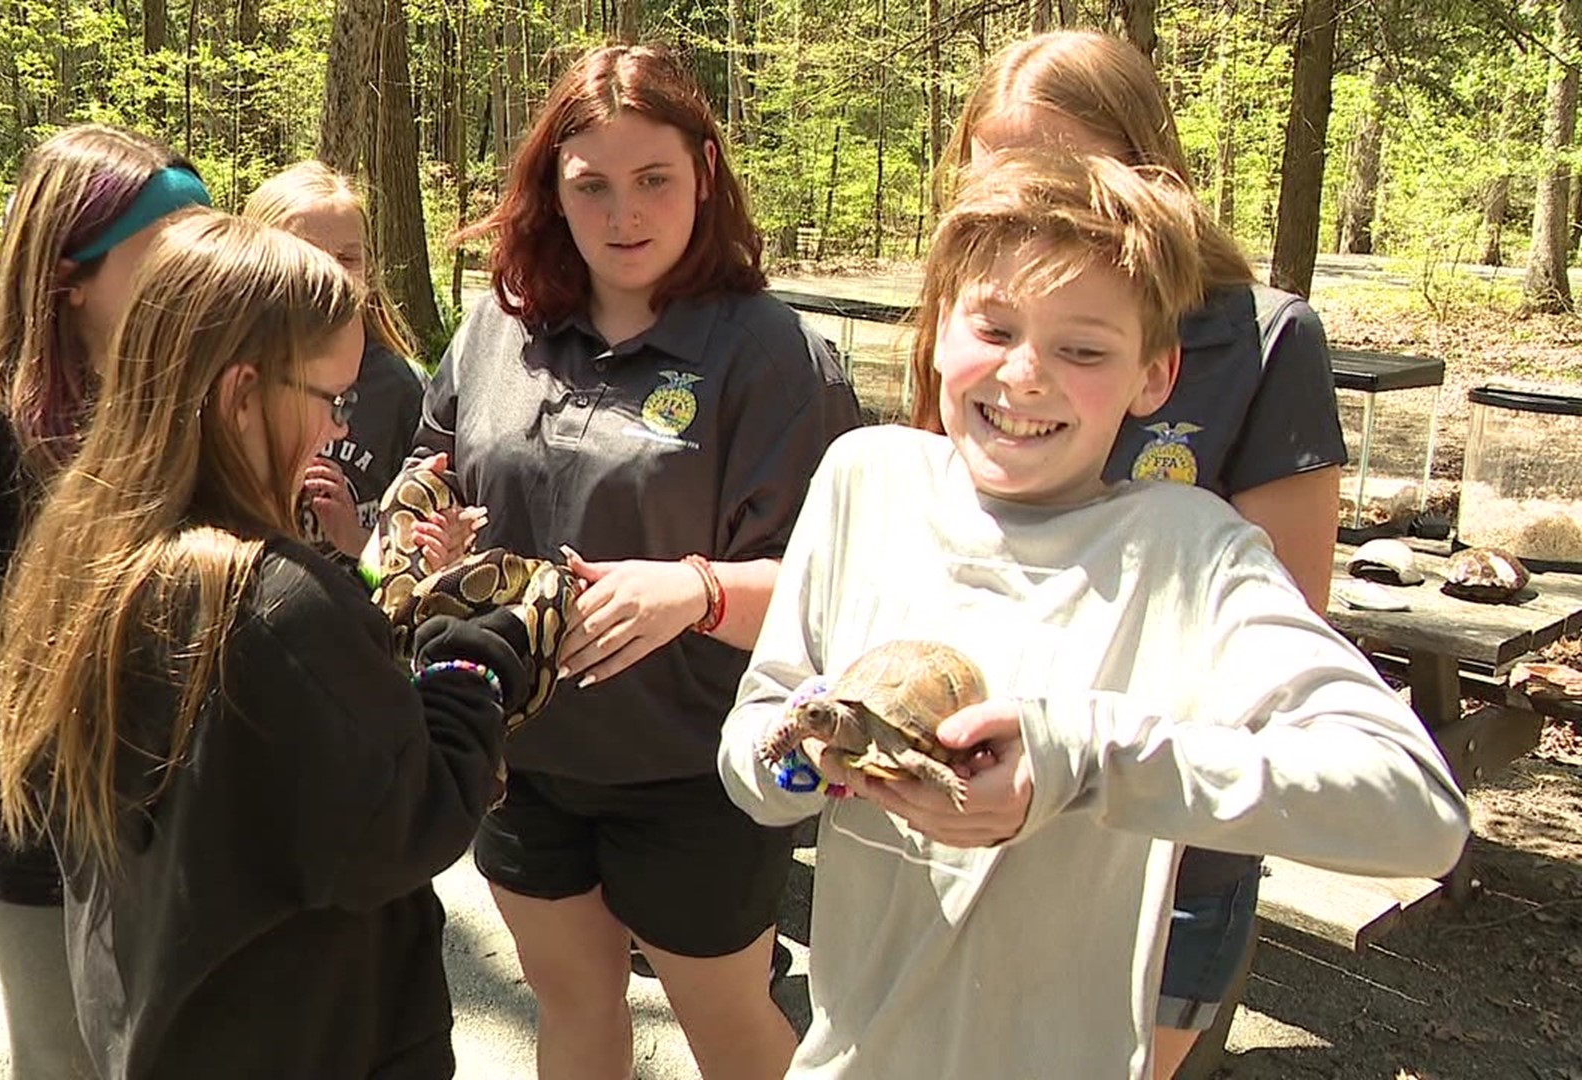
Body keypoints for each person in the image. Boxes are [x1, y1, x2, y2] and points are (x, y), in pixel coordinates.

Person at [717, 149, 1470, 1078]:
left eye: (1082, 350)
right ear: (937, 330)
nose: (1025, 377)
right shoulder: (865, 482)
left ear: (1154, 376)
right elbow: (757, 741)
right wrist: (805, 762)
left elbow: (1417, 810)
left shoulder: (1189, 553)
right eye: (993, 328)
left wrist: (1081, 759)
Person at [0, 210, 536, 1078]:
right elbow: (401, 826)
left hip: (160, 1021)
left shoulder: (81, 551)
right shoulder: (276, 607)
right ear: (242, 393)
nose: (336, 433)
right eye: (328, 399)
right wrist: (472, 662)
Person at [416, 42, 861, 1080]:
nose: (625, 214)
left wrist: (697, 590)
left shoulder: (775, 357)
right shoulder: (500, 330)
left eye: (654, 179)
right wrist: (422, 533)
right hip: (518, 752)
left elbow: (844, 598)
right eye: (594, 186)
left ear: (704, 173)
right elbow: (423, 476)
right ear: (551, 192)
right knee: (572, 1007)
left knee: (729, 1027)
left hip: (694, 769)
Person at [924, 30, 1351, 1075]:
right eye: (1000, 167)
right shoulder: (969, 323)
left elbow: (1290, 622)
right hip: (978, 791)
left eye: (1060, 164)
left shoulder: (1259, 339)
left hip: (1164, 833)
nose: (1029, 197)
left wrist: (1091, 755)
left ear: (1145, 166)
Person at [0, 123, 211, 1080]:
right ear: (71, 277)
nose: (196, 279)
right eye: (166, 258)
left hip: (160, 832)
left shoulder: (161, 406)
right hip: (43, 849)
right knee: (68, 1062)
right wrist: (49, 744)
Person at [244, 161, 431, 563]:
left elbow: (414, 566)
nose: (332, 275)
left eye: (348, 258)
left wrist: (358, 538)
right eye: (306, 255)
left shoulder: (400, 388)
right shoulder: (229, 380)